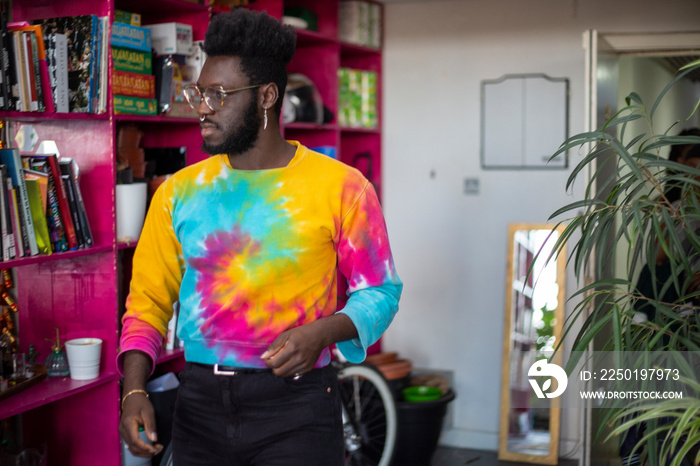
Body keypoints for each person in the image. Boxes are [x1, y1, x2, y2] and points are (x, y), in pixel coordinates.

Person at [117, 9, 402, 466]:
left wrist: (321, 334)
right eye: (199, 92)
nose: (202, 107)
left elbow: (381, 292)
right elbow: (147, 304)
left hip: (298, 406)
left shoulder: (343, 187)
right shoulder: (177, 193)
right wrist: (133, 390)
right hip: (199, 405)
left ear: (267, 96)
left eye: (218, 95)